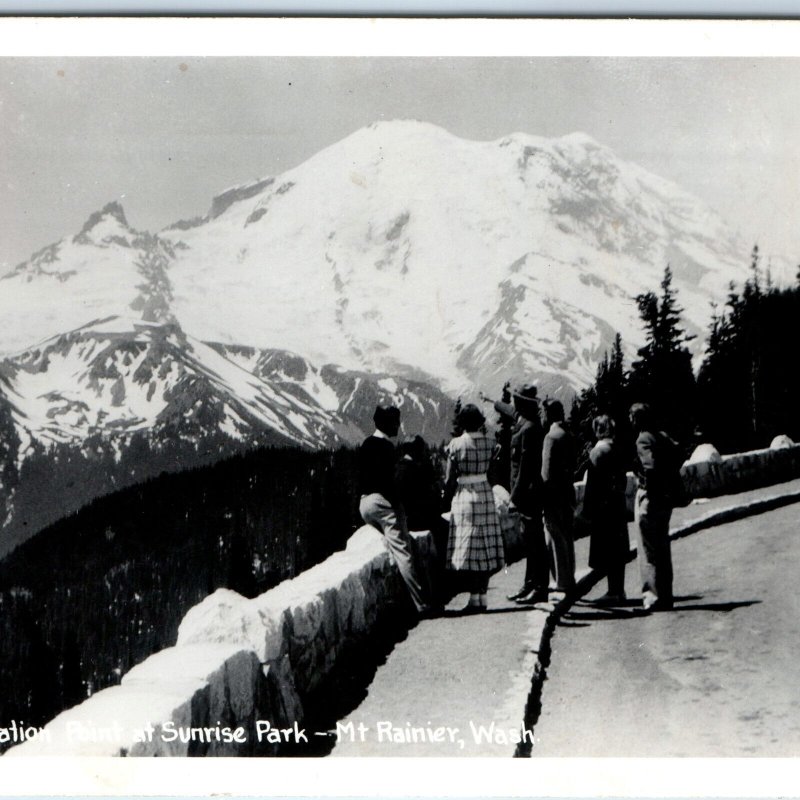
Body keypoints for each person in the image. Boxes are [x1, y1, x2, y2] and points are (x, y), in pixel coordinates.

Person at [358, 405, 436, 618]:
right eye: (396, 422)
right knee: (404, 552)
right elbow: (389, 483)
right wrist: (399, 507)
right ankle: (422, 605)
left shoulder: (366, 444)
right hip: (383, 503)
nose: (398, 427)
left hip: (365, 503)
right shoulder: (387, 448)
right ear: (388, 424)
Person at [444, 403, 505, 613]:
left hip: (465, 495)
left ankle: (473, 598)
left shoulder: (455, 445)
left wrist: (446, 495)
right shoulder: (491, 443)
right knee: (485, 543)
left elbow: (449, 479)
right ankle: (483, 596)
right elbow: (494, 474)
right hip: (485, 493)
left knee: (469, 546)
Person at [506, 384, 550, 605]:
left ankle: (540, 588)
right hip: (528, 494)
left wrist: (514, 497)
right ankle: (530, 584)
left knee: (534, 542)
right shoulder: (527, 424)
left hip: (528, 494)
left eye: (516, 399)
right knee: (530, 541)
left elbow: (524, 468)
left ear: (522, 403)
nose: (513, 403)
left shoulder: (530, 429)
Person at [629, 402, 675, 611]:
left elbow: (650, 466)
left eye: (631, 416)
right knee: (663, 548)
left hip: (650, 498)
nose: (630, 420)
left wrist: (648, 486)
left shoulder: (643, 438)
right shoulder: (662, 436)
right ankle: (666, 594)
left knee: (648, 549)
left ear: (637, 419)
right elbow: (678, 453)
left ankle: (653, 596)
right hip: (665, 499)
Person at [583, 415, 629, 604]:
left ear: (598, 431)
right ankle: (618, 589)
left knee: (607, 550)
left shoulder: (597, 452)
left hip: (603, 508)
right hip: (617, 504)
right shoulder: (617, 449)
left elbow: (592, 485)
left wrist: (587, 510)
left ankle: (613, 592)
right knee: (617, 549)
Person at [541, 399, 577, 595]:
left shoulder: (550, 437)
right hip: (567, 492)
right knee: (567, 536)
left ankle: (562, 581)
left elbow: (545, 473)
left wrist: (543, 494)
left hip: (553, 494)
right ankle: (569, 577)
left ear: (548, 415)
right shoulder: (568, 435)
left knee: (555, 536)